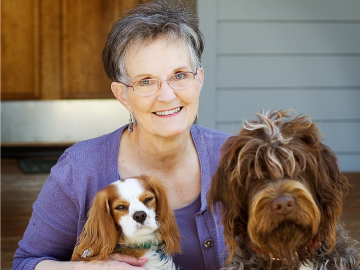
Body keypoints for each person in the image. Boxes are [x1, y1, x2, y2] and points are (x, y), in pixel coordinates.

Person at [13, 1, 231, 270]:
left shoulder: (236, 158)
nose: (167, 95)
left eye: (179, 75)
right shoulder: (79, 170)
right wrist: (91, 268)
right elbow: (25, 263)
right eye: (146, 81)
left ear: (199, 79)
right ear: (122, 95)